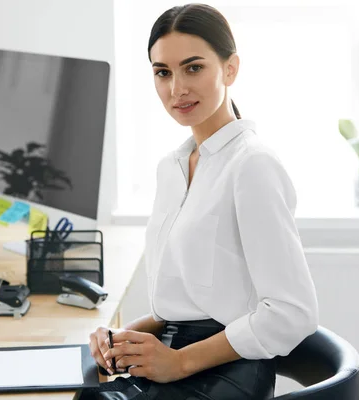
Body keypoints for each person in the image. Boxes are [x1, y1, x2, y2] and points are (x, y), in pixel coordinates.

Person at [79, 4, 318, 400]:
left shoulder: (252, 166)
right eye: (163, 72)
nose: (176, 89)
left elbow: (294, 313)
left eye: (193, 68)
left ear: (230, 69)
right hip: (173, 355)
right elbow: (185, 302)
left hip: (226, 372)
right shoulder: (171, 168)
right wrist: (124, 337)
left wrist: (180, 362)